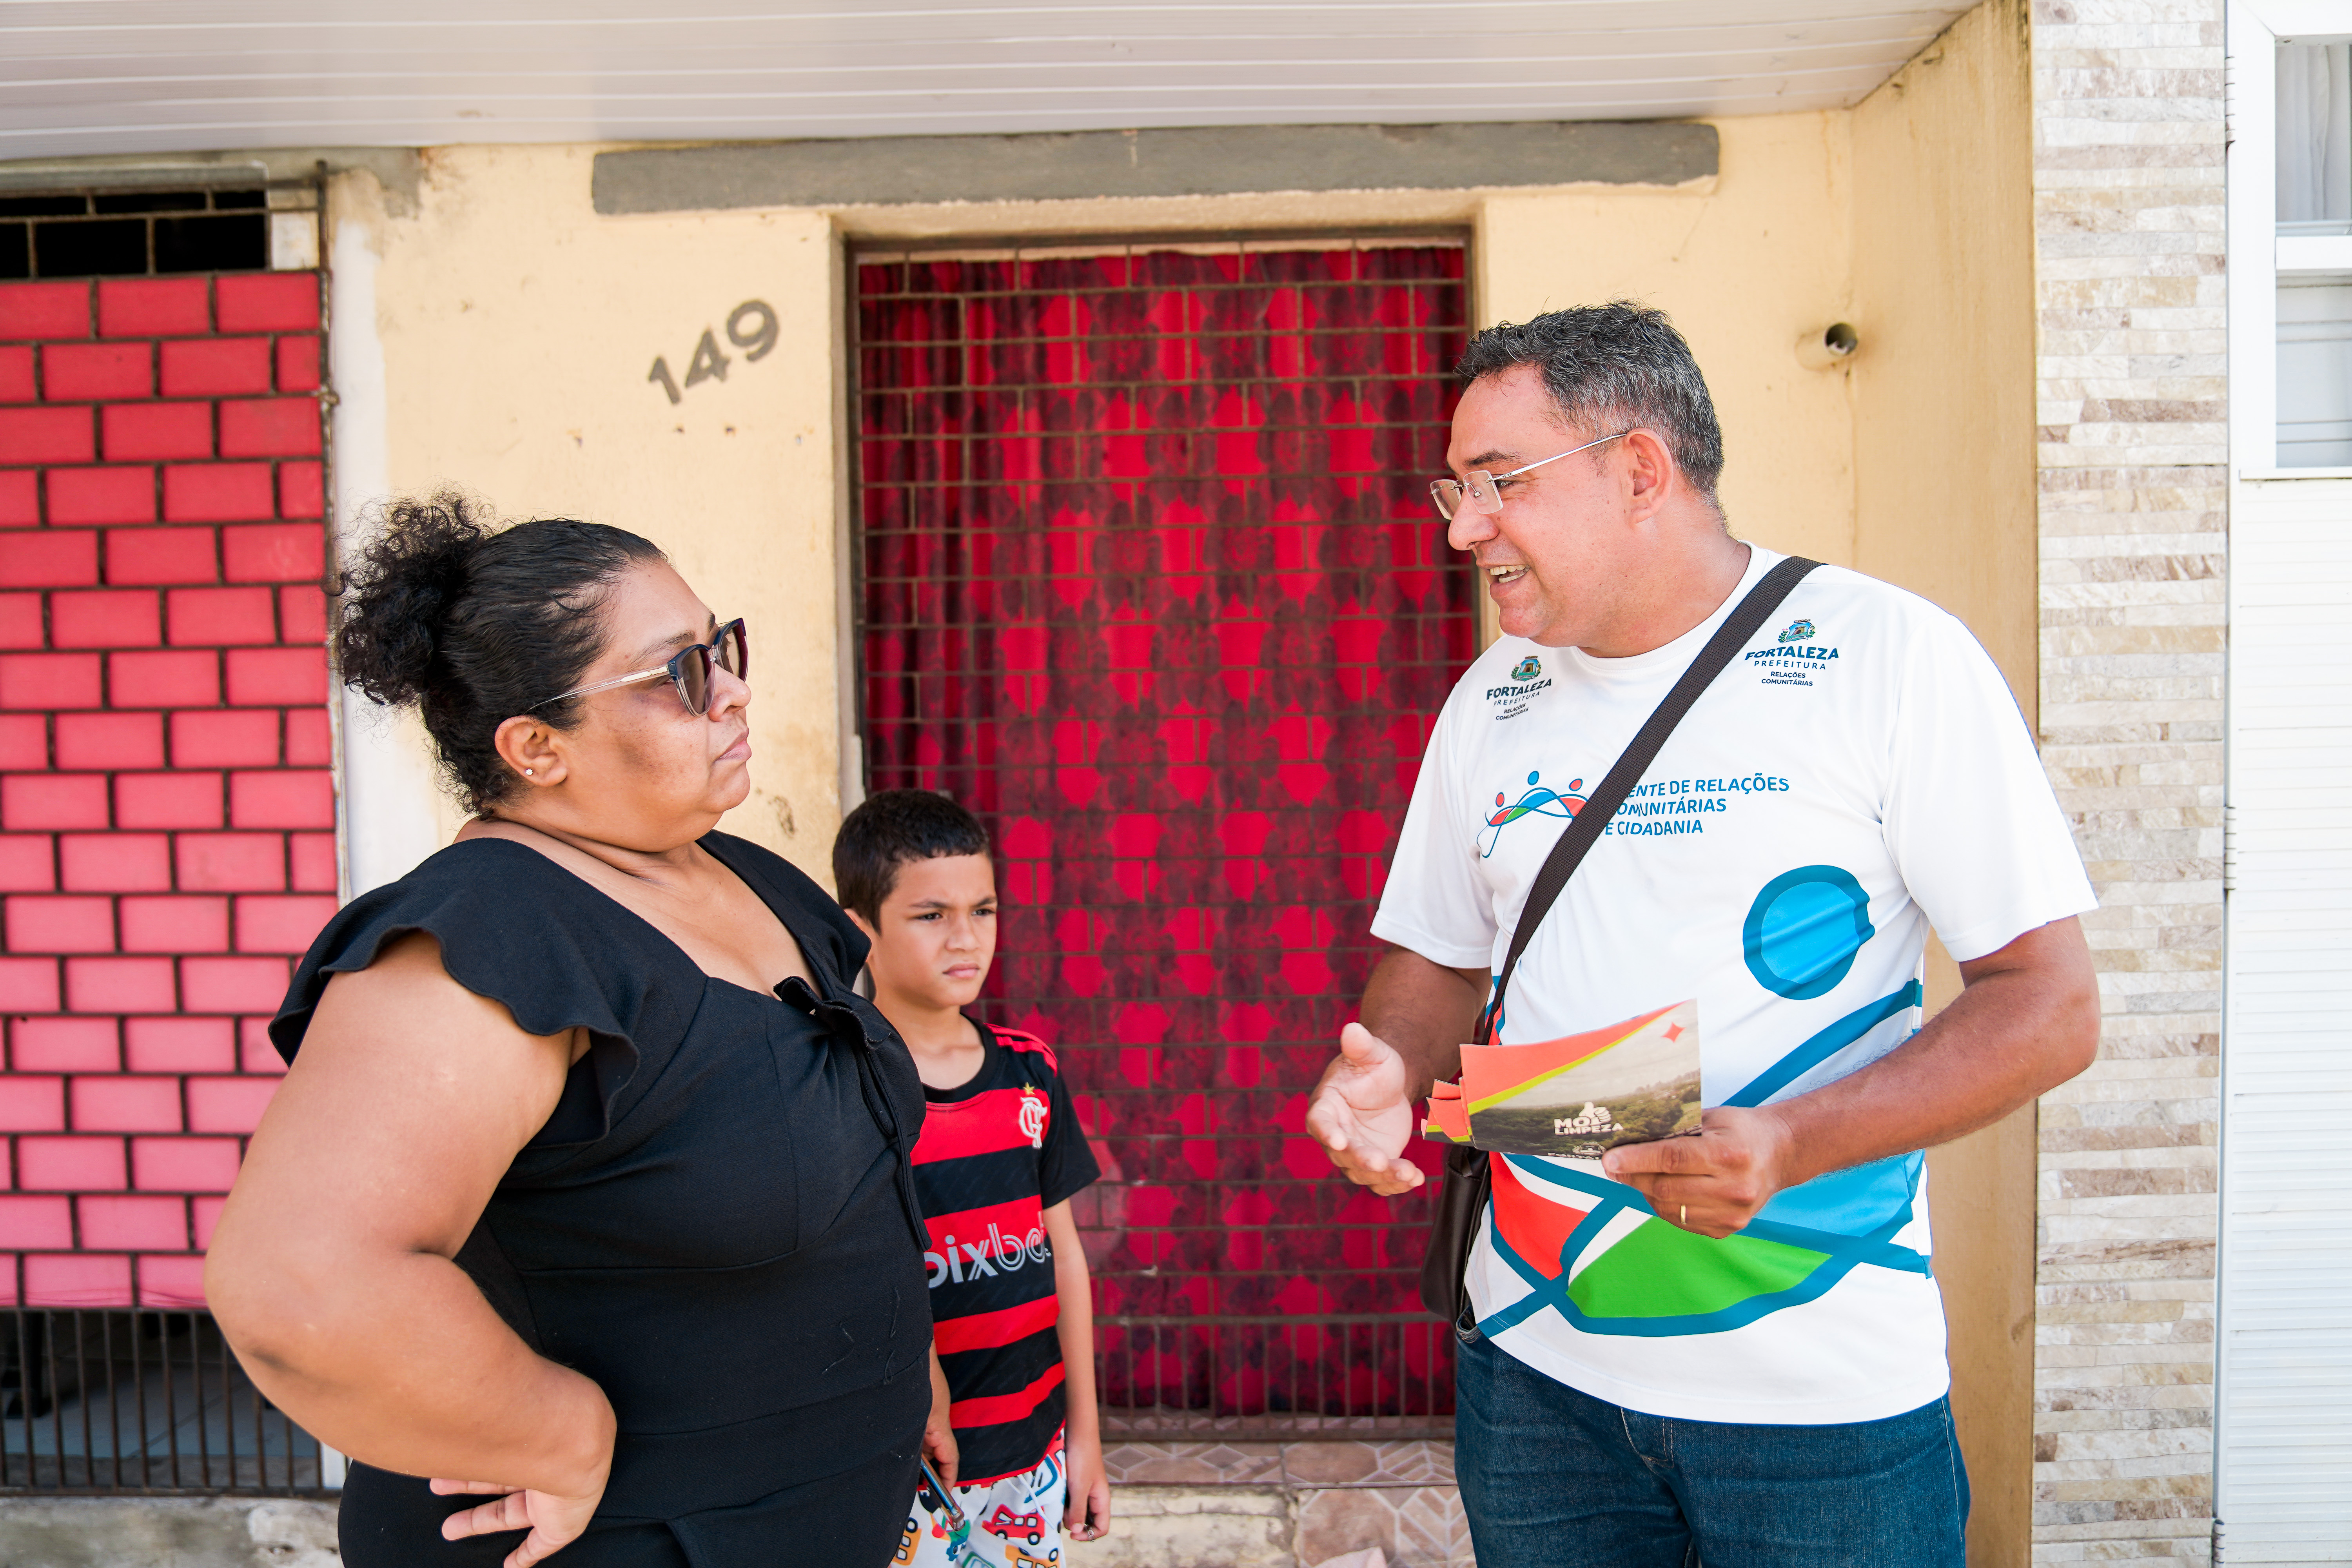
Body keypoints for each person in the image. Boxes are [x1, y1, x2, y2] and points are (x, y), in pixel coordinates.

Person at [1305, 303, 2102, 1567]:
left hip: (1820, 1404)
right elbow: (1442, 956)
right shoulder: (1490, 699)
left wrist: (1789, 1142)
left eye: (1498, 484)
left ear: (1638, 471)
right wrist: (1392, 1069)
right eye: (1453, 491)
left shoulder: (1885, 656)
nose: (1464, 530)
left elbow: (2049, 1004)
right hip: (1533, 1373)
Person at [205, 495, 947, 1568]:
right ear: (536, 749)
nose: (735, 690)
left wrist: (901, 1361)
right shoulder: (485, 941)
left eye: (722, 646)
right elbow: (299, 1288)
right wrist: (551, 1434)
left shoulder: (752, 879)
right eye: (684, 674)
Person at [832, 790, 1110, 1567]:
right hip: (907, 1462)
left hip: (1033, 1452)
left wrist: (1084, 1435)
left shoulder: (1030, 1072)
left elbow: (1065, 1259)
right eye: (931, 915)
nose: (967, 937)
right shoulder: (844, 1086)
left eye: (983, 909)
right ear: (863, 930)